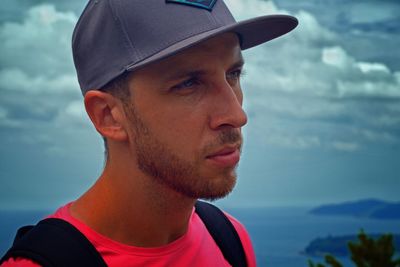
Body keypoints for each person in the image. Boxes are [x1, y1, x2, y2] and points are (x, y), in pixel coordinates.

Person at [1, 0, 297, 266]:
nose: (237, 115)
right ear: (109, 116)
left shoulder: (230, 239)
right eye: (188, 83)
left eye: (233, 74)